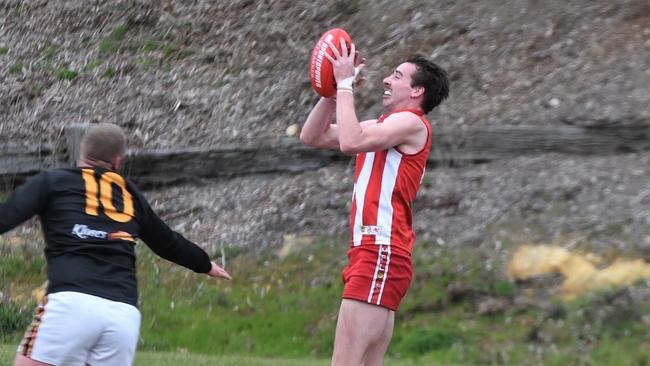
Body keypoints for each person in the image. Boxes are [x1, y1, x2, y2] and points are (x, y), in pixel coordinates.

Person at [0, 123, 231, 366]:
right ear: (118, 161)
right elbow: (167, 241)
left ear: (81, 150)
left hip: (71, 304)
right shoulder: (130, 194)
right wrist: (204, 263)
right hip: (123, 315)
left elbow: (6, 216)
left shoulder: (52, 181)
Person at [300, 39, 449, 365]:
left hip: (381, 249)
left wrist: (345, 85)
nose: (386, 79)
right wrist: (329, 93)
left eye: (397, 76)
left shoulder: (412, 123)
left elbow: (351, 142)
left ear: (416, 92)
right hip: (375, 250)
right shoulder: (383, 128)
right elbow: (313, 136)